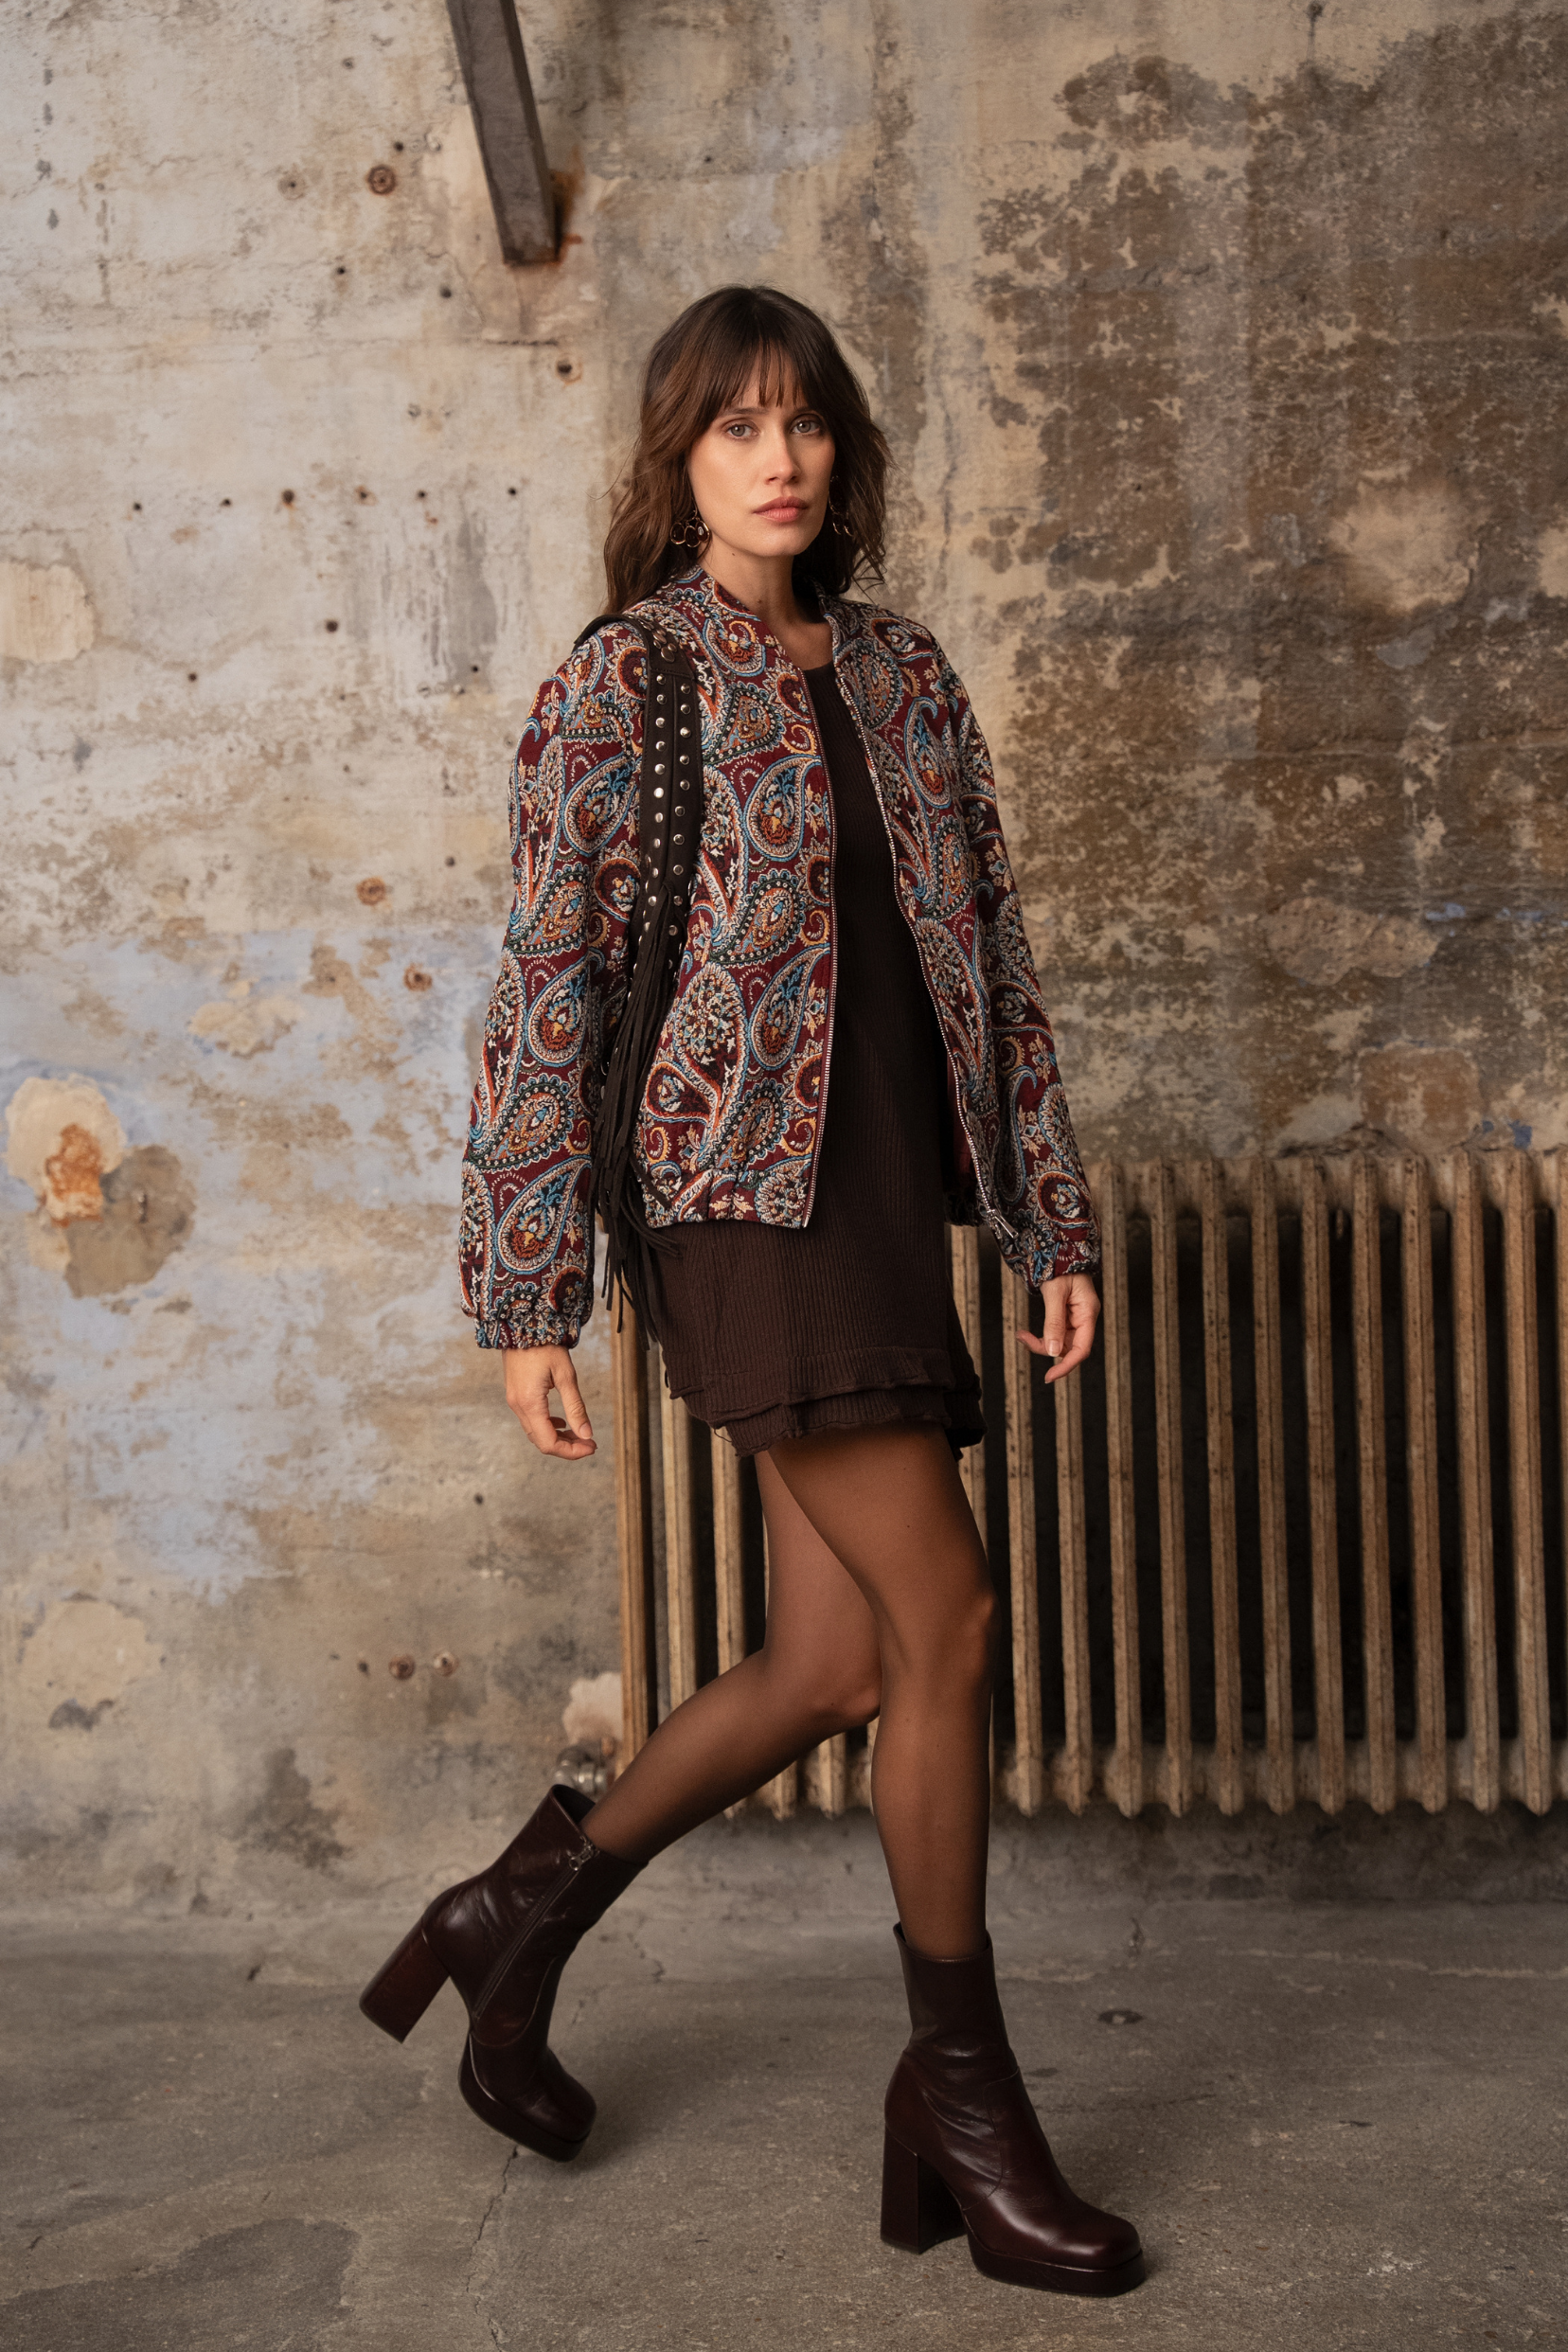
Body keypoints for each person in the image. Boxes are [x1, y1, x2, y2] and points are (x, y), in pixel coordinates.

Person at [361, 286, 1144, 2300]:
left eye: (803, 424)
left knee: (834, 1667)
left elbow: (994, 956)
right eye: (735, 428)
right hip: (733, 1206)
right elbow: (547, 989)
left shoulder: (904, 671)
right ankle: (966, 2103)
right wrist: (526, 1293)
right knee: (951, 1620)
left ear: (841, 449)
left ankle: (512, 1919)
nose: (777, 460)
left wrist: (1050, 1220)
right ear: (680, 459)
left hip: (882, 1201)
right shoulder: (623, 683)